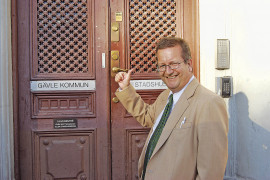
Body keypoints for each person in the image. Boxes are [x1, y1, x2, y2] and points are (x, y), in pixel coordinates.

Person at [115, 37, 228, 180]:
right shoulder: (166, 96)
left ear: (189, 64)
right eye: (162, 66)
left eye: (174, 64)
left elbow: (211, 172)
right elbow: (147, 117)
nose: (168, 71)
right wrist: (125, 88)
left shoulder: (209, 103)